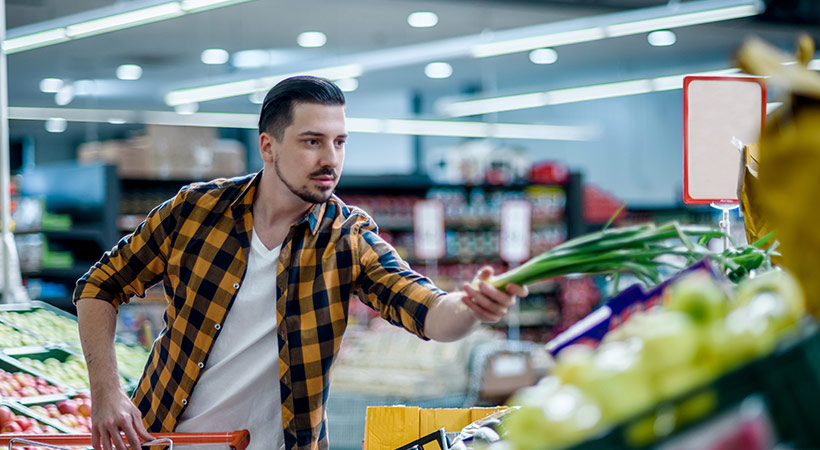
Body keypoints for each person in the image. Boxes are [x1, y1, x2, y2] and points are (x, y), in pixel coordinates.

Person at [74, 75, 528, 450]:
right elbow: (99, 286)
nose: (330, 159)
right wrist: (106, 392)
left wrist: (474, 305)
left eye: (339, 142)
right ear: (268, 147)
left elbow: (430, 313)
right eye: (312, 141)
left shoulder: (346, 238)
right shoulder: (196, 211)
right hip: (162, 438)